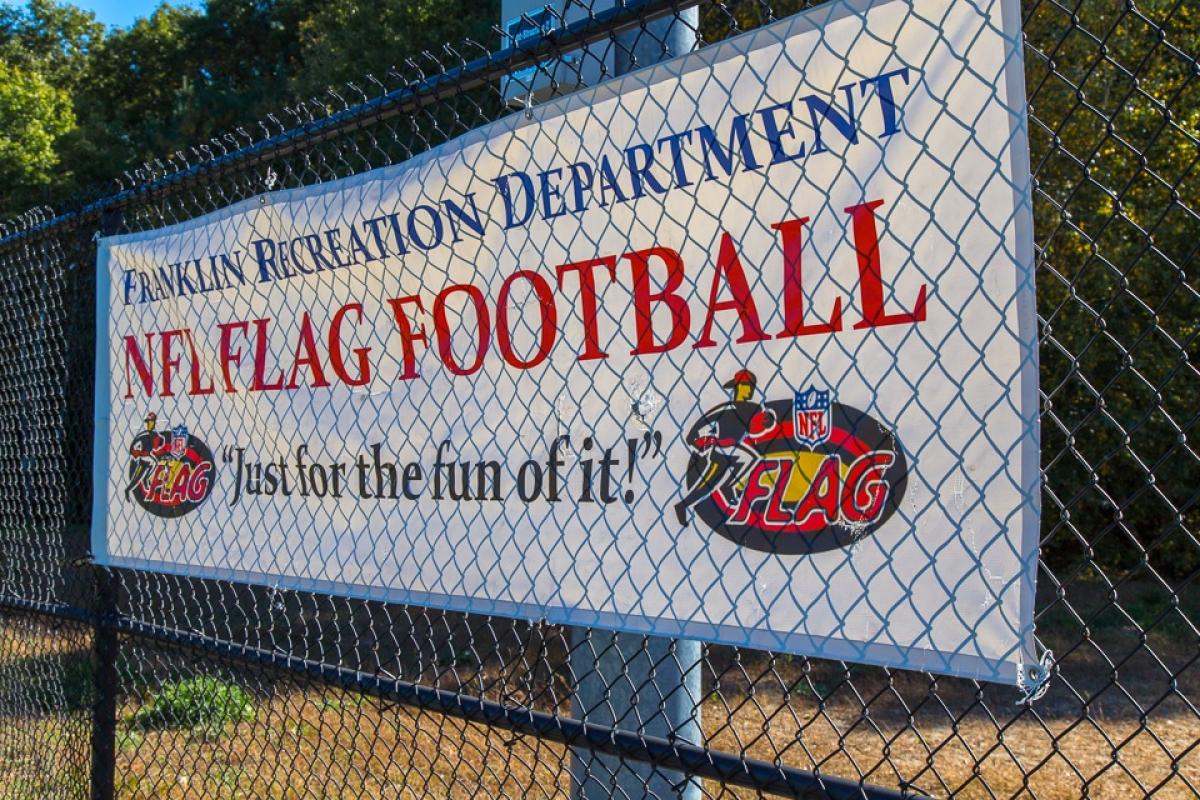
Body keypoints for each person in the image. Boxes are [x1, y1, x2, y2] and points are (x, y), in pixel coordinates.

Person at [674, 370, 776, 525]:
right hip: (721, 448)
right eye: (746, 385)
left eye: (751, 386)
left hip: (733, 448)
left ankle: (687, 503)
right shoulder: (727, 408)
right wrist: (694, 438)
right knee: (711, 483)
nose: (749, 390)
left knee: (712, 482)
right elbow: (703, 421)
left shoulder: (752, 409)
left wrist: (766, 420)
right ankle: (688, 503)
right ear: (737, 387)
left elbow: (756, 426)